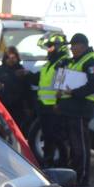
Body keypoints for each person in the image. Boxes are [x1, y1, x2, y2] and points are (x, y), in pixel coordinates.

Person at [57, 33, 94, 187]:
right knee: (73, 143)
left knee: (80, 144)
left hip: (82, 106)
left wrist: (74, 92)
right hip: (72, 106)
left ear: (81, 46)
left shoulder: (90, 60)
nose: (71, 49)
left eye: (73, 45)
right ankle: (74, 174)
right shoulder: (75, 61)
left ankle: (82, 177)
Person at [30, 32, 70, 167]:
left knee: (57, 137)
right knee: (48, 136)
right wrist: (25, 75)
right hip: (44, 106)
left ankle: (62, 164)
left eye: (50, 46)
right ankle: (48, 162)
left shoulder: (63, 63)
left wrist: (59, 104)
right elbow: (39, 79)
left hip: (55, 107)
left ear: (59, 46)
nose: (48, 50)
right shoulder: (49, 64)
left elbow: (62, 85)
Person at [0, 46, 35, 133]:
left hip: (18, 105)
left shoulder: (21, 70)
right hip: (2, 104)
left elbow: (27, 89)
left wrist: (28, 107)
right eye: (9, 58)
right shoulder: (0, 69)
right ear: (5, 59)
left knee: (18, 128)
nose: (11, 60)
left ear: (17, 58)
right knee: (2, 127)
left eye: (13, 57)